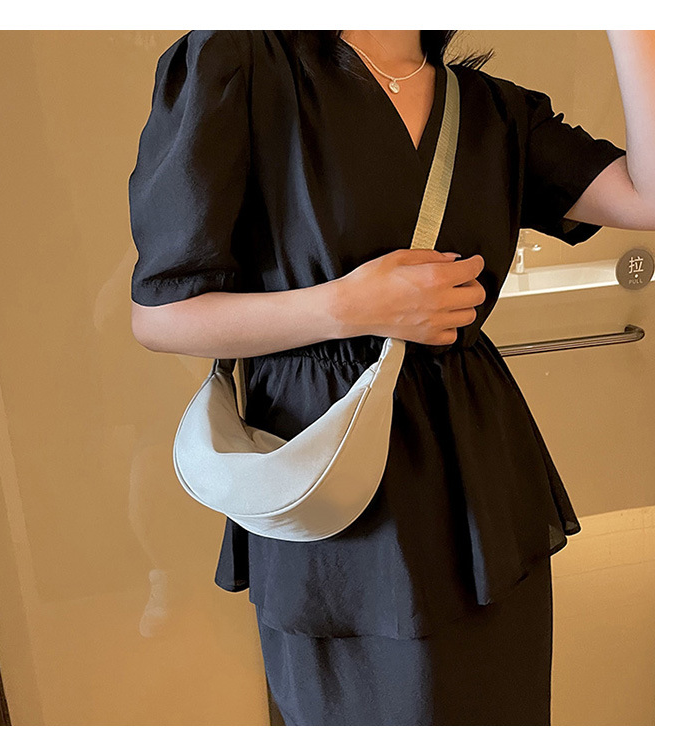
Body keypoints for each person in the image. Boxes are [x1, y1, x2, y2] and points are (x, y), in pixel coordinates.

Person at [127, 30, 655, 726]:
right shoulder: (241, 61)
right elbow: (161, 316)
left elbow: (653, 200)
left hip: (481, 484)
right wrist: (348, 307)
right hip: (334, 493)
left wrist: (637, 28)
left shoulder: (492, 111)